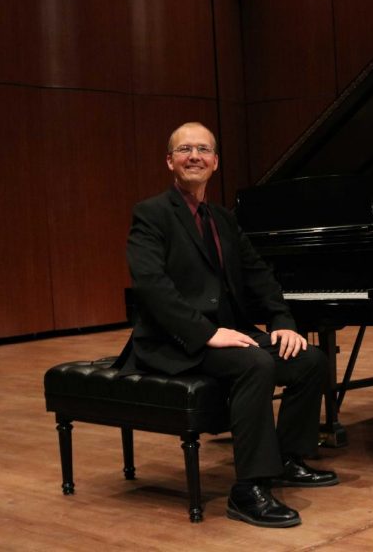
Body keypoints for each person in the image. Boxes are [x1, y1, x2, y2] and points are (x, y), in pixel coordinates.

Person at [115, 122, 338, 527]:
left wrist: (282, 320)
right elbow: (152, 287)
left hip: (225, 334)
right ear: (170, 161)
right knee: (257, 364)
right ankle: (248, 489)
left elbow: (259, 275)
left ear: (215, 162)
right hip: (175, 342)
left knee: (310, 359)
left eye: (203, 149)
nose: (194, 156)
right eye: (185, 149)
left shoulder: (223, 219)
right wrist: (206, 333)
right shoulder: (150, 214)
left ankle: (287, 458)